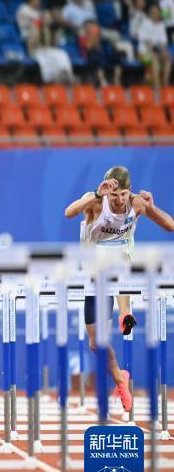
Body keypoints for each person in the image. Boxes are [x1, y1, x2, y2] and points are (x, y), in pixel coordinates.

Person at [64, 166, 174, 412]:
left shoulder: (136, 204)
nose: (119, 200)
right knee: (96, 344)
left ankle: (125, 315)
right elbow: (68, 213)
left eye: (123, 194)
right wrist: (96, 193)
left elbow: (170, 226)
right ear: (107, 191)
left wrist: (152, 207)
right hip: (93, 275)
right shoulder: (96, 201)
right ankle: (121, 380)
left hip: (120, 269)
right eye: (114, 195)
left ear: (129, 190)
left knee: (120, 261)